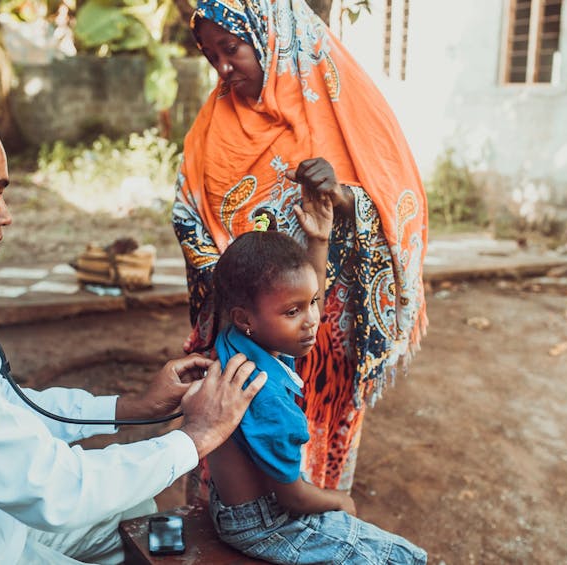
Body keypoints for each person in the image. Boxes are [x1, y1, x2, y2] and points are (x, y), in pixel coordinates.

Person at [0, 88, 266, 565]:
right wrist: (195, 437)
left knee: (136, 513)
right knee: (136, 524)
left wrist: (130, 407)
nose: (5, 215)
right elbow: (54, 489)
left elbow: (2, 410)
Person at [172, 0, 428, 499]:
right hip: (243, 340)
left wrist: (346, 199)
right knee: (231, 477)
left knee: (310, 468)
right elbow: (188, 214)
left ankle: (312, 517)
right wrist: (235, 280)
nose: (223, 68)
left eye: (231, 49)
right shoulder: (213, 124)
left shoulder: (340, 107)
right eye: (211, 55)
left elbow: (401, 205)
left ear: (270, 37)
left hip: (322, 341)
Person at [207, 209, 427, 564]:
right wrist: (338, 498)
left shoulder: (238, 340)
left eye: (311, 304)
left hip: (233, 503)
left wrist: (318, 241)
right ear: (245, 318)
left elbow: (301, 295)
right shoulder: (265, 397)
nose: (313, 320)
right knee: (399, 559)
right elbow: (293, 499)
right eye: (293, 312)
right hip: (262, 523)